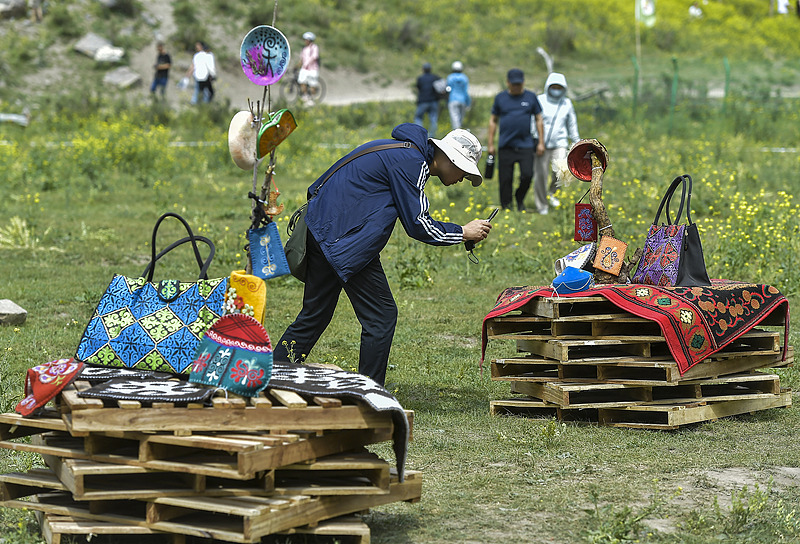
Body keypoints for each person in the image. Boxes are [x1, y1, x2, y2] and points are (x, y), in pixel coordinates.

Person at [273, 123, 492, 386]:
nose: (462, 179)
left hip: (322, 230)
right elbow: (418, 224)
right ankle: (369, 391)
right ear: (448, 158)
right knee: (381, 316)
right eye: (463, 171)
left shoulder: (401, 151)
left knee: (314, 315)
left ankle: (275, 373)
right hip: (344, 241)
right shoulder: (413, 163)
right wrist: (463, 232)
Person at [487, 68, 544, 212]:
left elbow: (539, 119)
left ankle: (519, 198)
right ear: (508, 83)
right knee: (505, 179)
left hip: (525, 144)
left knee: (527, 175)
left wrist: (541, 142)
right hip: (506, 145)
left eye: (519, 84)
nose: (517, 87)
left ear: (523, 83)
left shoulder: (531, 97)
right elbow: (493, 120)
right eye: (514, 84)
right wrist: (490, 143)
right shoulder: (500, 98)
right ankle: (506, 206)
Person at [532, 72, 580, 215]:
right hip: (542, 144)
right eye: (554, 87)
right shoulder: (540, 100)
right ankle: (542, 205)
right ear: (548, 86)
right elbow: (533, 120)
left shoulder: (567, 103)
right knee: (540, 174)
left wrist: (577, 142)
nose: (556, 90)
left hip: (560, 142)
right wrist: (535, 140)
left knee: (561, 172)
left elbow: (572, 123)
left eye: (559, 87)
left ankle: (553, 193)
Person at [414, 62, 441, 137]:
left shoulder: (420, 78)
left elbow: (418, 88)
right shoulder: (435, 77)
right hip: (433, 101)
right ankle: (431, 136)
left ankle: (420, 135)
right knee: (433, 118)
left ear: (423, 69)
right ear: (430, 69)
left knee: (418, 117)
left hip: (423, 101)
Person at [446, 60, 471, 130]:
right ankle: (460, 132)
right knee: (460, 119)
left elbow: (448, 89)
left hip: (453, 99)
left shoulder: (450, 77)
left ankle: (456, 133)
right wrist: (468, 102)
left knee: (454, 118)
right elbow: (466, 91)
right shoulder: (464, 78)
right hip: (462, 100)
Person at [298, 31, 320, 105]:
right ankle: (305, 96)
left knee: (312, 84)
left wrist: (307, 63)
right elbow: (302, 59)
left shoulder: (314, 47)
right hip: (305, 69)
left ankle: (312, 99)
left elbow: (315, 57)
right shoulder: (304, 49)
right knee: (302, 81)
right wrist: (297, 66)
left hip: (312, 69)